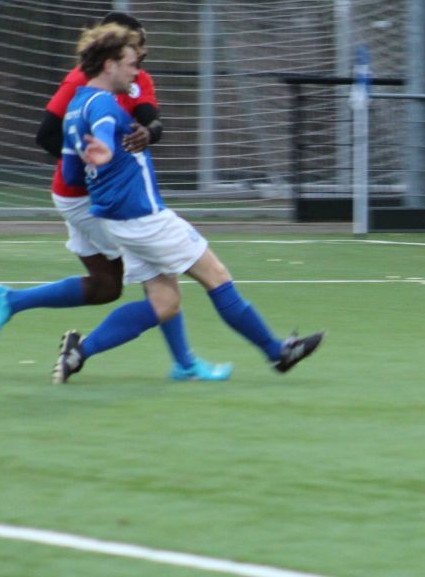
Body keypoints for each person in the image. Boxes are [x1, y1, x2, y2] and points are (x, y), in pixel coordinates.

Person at [52, 21, 323, 384]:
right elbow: (102, 129)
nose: (136, 72)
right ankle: (278, 353)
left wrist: (101, 164)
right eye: (131, 64)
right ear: (109, 65)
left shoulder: (76, 106)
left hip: (119, 221)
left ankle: (79, 352)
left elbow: (71, 175)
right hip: (145, 218)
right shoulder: (102, 103)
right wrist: (104, 149)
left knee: (164, 304)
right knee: (217, 276)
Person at [0, 12, 230, 382]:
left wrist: (149, 133)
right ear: (114, 51)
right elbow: (46, 134)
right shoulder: (81, 82)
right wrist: (95, 168)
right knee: (158, 277)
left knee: (106, 286)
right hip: (84, 197)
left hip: (101, 195)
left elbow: (152, 121)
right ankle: (184, 364)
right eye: (137, 47)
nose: (142, 56)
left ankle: (11, 300)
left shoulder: (138, 78)